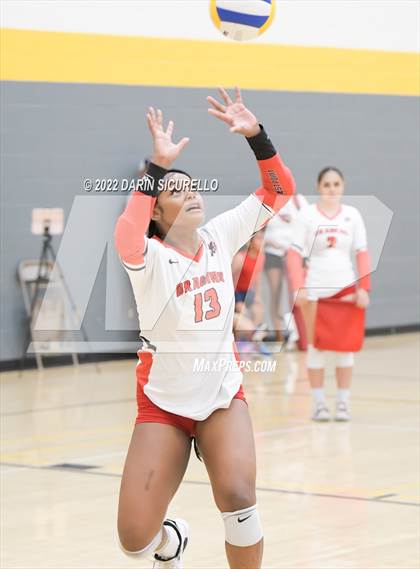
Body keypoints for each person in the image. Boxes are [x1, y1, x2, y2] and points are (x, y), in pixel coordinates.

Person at [114, 87, 295, 568]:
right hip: (165, 404)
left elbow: (279, 190)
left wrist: (256, 136)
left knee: (239, 497)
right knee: (134, 541)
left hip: (219, 394)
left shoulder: (220, 235)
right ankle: (171, 542)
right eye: (175, 191)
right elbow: (127, 235)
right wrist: (156, 168)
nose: (190, 191)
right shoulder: (149, 257)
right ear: (155, 210)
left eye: (192, 185)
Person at [287, 167, 371, 422]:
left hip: (345, 290)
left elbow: (362, 254)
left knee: (345, 350)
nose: (332, 189)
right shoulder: (307, 215)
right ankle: (319, 403)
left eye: (336, 184)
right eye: (327, 184)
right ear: (318, 187)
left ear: (342, 187)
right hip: (315, 291)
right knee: (316, 349)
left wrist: (364, 289)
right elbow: (293, 253)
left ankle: (343, 403)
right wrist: (297, 287)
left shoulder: (353, 215)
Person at [264, 193, 308, 344]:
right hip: (273, 253)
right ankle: (279, 338)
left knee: (297, 293)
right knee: (275, 294)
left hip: (295, 254)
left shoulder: (298, 200)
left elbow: (308, 225)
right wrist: (274, 244)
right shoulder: (266, 199)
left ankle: (301, 334)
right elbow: (258, 231)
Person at [232, 230, 268, 350]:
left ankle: (252, 340)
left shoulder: (261, 258)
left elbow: (257, 278)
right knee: (241, 310)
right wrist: (234, 300)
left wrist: (257, 296)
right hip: (235, 292)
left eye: (263, 239)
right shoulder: (240, 258)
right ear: (250, 242)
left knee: (259, 309)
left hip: (248, 292)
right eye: (259, 239)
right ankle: (239, 341)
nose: (262, 243)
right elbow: (230, 279)